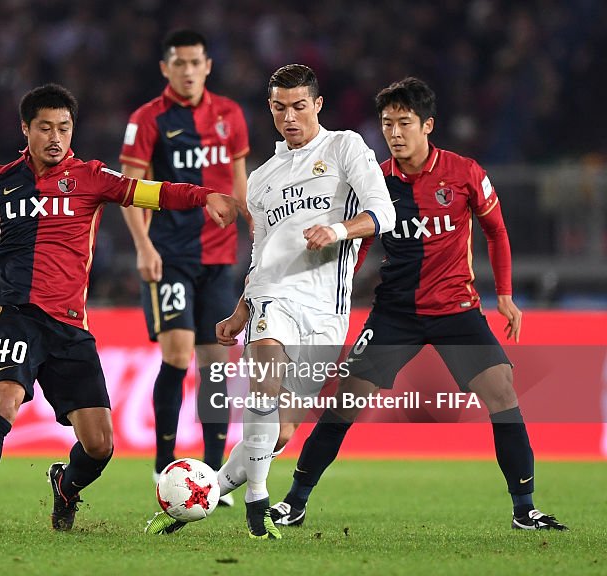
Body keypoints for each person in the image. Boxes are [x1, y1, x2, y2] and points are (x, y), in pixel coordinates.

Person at [0, 83, 236, 535]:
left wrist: (204, 196)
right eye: (45, 127)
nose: (55, 137)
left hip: (70, 325)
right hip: (16, 312)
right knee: (4, 400)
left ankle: (65, 487)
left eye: (64, 128)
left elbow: (150, 192)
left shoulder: (91, 177)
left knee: (101, 443)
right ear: (25, 129)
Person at [267, 77, 567, 531]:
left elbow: (497, 231)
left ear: (428, 125)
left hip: (457, 311)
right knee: (345, 402)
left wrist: (504, 295)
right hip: (395, 314)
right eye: (387, 123)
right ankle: (295, 501)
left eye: (404, 123)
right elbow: (360, 239)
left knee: (503, 394)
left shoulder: (465, 173)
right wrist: (339, 287)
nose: (394, 133)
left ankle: (525, 509)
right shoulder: (375, 180)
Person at [146, 64, 395, 538]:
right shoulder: (260, 180)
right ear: (271, 109)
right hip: (273, 299)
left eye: (300, 106)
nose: (290, 117)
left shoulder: (345, 147)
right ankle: (257, 501)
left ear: (317, 105)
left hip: (327, 311)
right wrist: (243, 308)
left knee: (280, 431)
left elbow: (382, 212)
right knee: (264, 379)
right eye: (280, 108)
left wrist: (338, 230)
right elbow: (261, 256)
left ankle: (206, 493)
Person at [118, 29, 249, 496]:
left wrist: (256, 235)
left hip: (219, 258)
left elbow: (239, 182)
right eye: (180, 63)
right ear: (165, 68)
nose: (189, 70)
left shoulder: (230, 115)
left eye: (196, 62)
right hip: (170, 255)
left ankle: (212, 476)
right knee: (176, 355)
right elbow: (129, 191)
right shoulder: (147, 119)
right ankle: (163, 464)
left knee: (216, 364)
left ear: (208, 65)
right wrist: (143, 246)